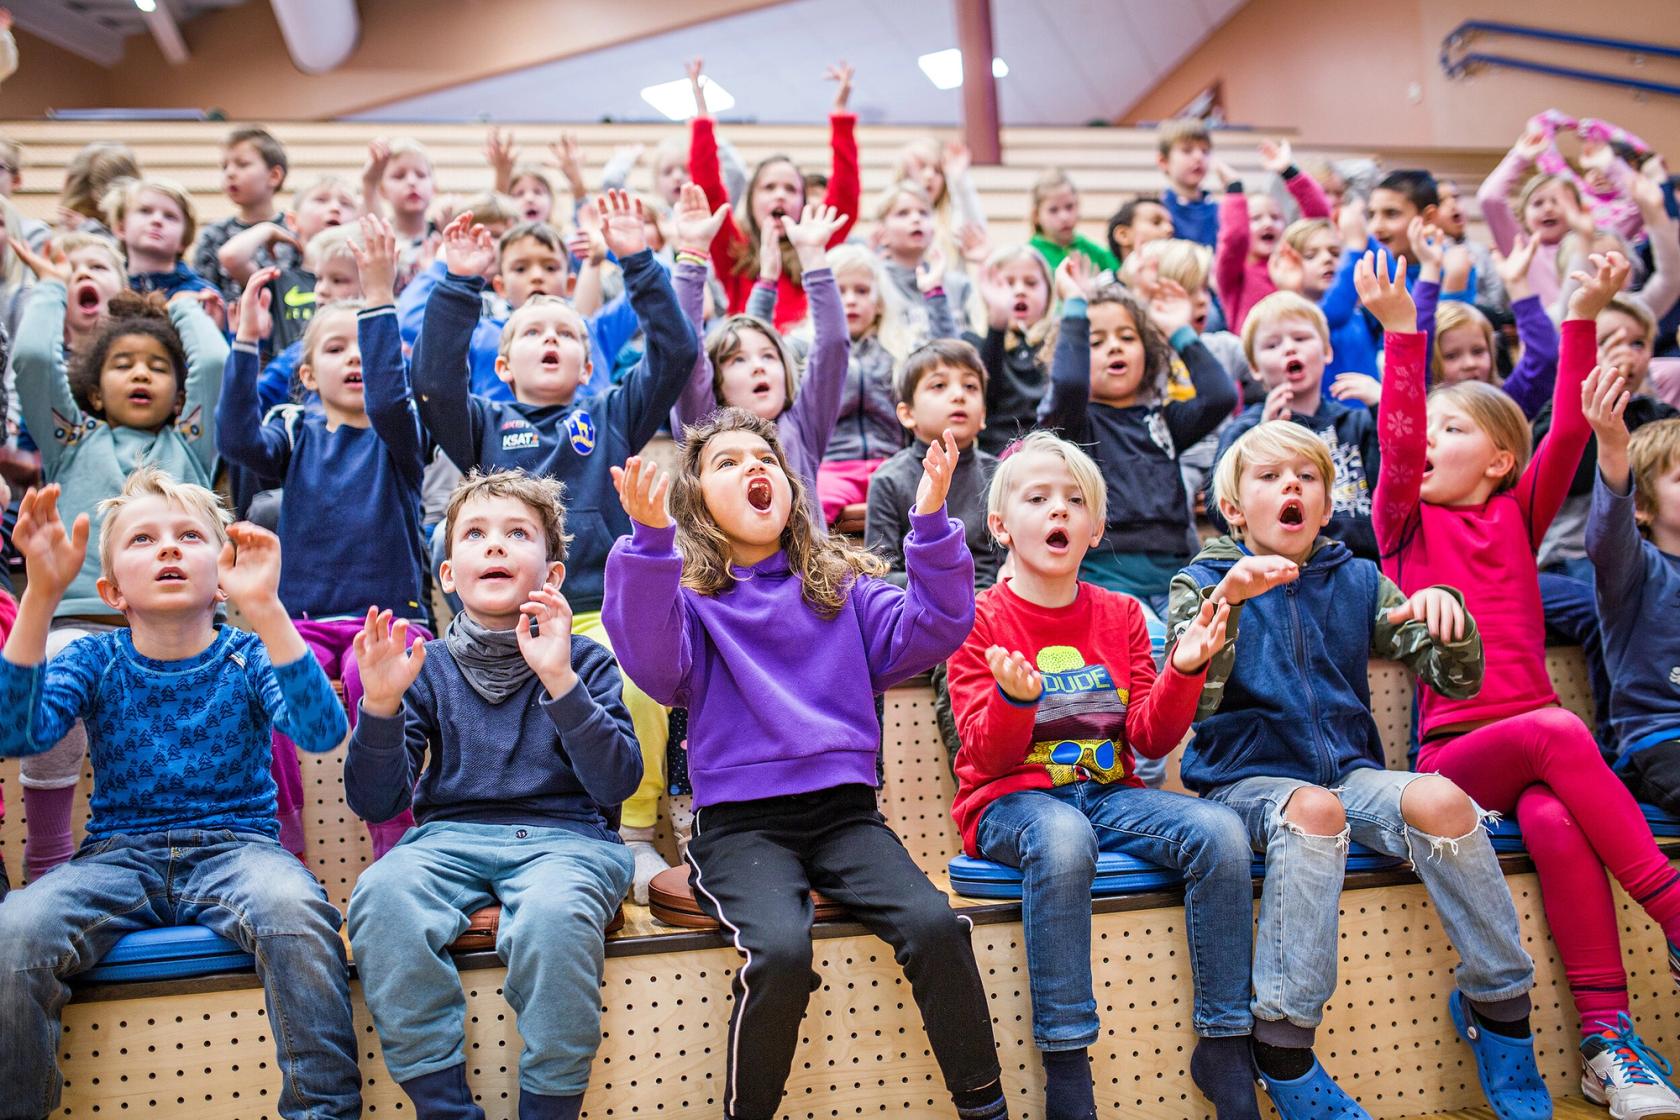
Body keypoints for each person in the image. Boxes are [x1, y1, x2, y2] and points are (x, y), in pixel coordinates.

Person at [603, 415, 1009, 1120]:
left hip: (846, 817)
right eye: (727, 462)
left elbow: (938, 626)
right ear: (696, 501)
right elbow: (652, 661)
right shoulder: (688, 600)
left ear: (789, 488)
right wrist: (649, 542)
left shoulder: (841, 585)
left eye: (765, 457)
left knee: (938, 928)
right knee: (781, 955)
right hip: (740, 829)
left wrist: (931, 521)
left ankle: (986, 1107)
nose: (753, 467)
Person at [1365, 246, 1680, 1113]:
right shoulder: (1403, 523)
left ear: (1503, 460)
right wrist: (1403, 335)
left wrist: (1580, 307)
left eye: (1453, 431)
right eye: (1425, 433)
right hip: (1454, 764)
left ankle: (1607, 1042)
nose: (1427, 443)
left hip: (1538, 764)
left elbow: (1573, 429)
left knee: (1556, 816)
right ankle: (1676, 909)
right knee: (1561, 732)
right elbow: (1394, 444)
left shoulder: (1517, 512)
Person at [1171, 420, 1546, 1120]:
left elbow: (1453, 679)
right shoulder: (1201, 582)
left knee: (1443, 799)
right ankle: (1282, 1043)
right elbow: (1195, 700)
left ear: (1325, 499)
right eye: (1270, 476)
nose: (1292, 485)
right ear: (1232, 509)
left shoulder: (1358, 577)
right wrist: (1230, 601)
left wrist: (1449, 618)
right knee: (1317, 811)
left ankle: (1500, 1008)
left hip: (1350, 773)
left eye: (1307, 477)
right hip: (1244, 783)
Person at [0, 473, 358, 1120]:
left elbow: (321, 728)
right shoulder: (94, 658)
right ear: (110, 591)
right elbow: (13, 733)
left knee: (298, 913)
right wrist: (41, 598)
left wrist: (268, 609)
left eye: (190, 536)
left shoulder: (248, 655)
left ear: (221, 573)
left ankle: (324, 1112)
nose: (168, 548)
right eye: (144, 539)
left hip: (238, 851)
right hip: (117, 856)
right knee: (14, 933)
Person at [948, 432, 1256, 1120]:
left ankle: (1227, 1044)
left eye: (1074, 500)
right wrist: (1016, 701)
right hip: (1009, 800)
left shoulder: (1120, 614)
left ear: (1095, 528)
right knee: (1061, 838)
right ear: (1001, 526)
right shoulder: (979, 618)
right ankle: (1067, 1069)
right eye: (1038, 498)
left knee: (1221, 832)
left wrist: (1184, 667)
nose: (1059, 510)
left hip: (1109, 791)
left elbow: (1149, 736)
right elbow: (984, 756)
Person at [408, 190, 697, 904]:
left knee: (635, 674)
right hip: (503, 623)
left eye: (566, 333)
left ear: (589, 362)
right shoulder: (483, 422)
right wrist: (458, 285)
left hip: (599, 606)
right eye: (533, 332)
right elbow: (433, 381)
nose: (550, 340)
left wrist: (639, 261)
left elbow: (678, 353)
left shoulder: (611, 413)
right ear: (503, 367)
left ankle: (630, 834)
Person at [346, 470, 640, 1120]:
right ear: (448, 574)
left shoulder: (585, 661)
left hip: (570, 842)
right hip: (447, 841)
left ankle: (549, 1108)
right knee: (381, 899)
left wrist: (560, 679)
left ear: (554, 575)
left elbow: (617, 782)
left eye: (517, 533)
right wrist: (382, 703)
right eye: (475, 535)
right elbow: (376, 800)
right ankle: (444, 1107)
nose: (496, 546)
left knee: (552, 921)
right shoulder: (426, 667)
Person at [216, 217, 432, 859]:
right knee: (270, 687)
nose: (357, 360)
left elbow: (393, 398)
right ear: (307, 375)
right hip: (303, 624)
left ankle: (395, 840)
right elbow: (236, 441)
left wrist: (377, 294)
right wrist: (246, 345)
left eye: (367, 350)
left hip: (389, 621)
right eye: (337, 350)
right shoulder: (295, 431)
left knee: (378, 692)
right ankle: (284, 843)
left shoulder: (401, 438)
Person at [11, 286, 226, 881]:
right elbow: (31, 358)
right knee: (51, 675)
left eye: (158, 368)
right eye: (122, 364)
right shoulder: (70, 441)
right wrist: (55, 284)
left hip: (183, 633)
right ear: (92, 388)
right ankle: (49, 854)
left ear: (178, 393)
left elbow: (213, 364)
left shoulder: (190, 442)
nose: (140, 374)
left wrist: (180, 304)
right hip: (83, 622)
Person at [1036, 259, 1236, 620]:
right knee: (1154, 646)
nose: (1115, 347)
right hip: (1107, 578)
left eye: (1127, 337)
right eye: (1096, 341)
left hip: (1177, 575)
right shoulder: (1072, 424)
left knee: (1211, 641)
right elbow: (1068, 383)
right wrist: (1075, 308)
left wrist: (1178, 330)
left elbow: (1220, 396)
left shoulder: (1162, 419)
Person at [670, 191, 849, 530]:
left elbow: (833, 347)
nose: (758, 366)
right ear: (716, 381)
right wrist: (692, 255)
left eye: (769, 356)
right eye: (738, 360)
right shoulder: (703, 425)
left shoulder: (803, 423)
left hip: (808, 579)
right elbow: (686, 353)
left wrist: (812, 257)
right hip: (723, 579)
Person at [688, 58, 860, 330]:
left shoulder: (816, 247)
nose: (780, 195)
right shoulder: (735, 251)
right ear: (752, 199)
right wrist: (702, 119)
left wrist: (840, 117)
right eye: (769, 187)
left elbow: (845, 197)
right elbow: (709, 191)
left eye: (791, 189)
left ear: (803, 202)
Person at [1212, 291, 1380, 560]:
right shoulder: (1245, 430)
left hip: (1358, 563)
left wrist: (1383, 407)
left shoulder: (1356, 422)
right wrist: (1263, 439)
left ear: (1327, 351)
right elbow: (1223, 513)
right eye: (1272, 345)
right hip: (1278, 567)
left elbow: (1391, 485)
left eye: (1301, 338)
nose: (1290, 348)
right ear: (1254, 368)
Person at [1586, 411, 1680, 810]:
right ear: (1641, 504)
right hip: (1660, 739)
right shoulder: (1634, 568)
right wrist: (1611, 447)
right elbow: (1608, 536)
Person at [1214, 139, 1332, 331]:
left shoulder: (1296, 261)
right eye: (1256, 218)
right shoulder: (1234, 272)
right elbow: (1235, 238)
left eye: (1275, 217)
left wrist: (1288, 171)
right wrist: (1234, 189)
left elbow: (1319, 222)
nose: (1268, 223)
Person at [970, 244, 1054, 455]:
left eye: (1031, 283)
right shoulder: (975, 342)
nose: (1019, 290)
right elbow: (985, 395)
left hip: (1050, 453)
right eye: (1007, 283)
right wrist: (997, 324)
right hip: (995, 459)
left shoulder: (1058, 342)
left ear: (1049, 292)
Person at [191, 127, 291, 303]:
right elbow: (204, 291)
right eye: (224, 167)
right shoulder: (213, 234)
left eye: (242, 164)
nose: (230, 173)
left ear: (274, 176)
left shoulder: (293, 231)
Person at [105, 177, 216, 302]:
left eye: (170, 216)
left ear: (184, 240)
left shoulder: (202, 294)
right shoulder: (107, 289)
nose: (157, 220)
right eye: (145, 211)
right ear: (121, 228)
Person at [1027, 168, 1117, 275]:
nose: (1064, 217)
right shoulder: (1029, 255)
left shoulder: (1092, 251)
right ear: (1036, 215)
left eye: (1069, 207)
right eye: (1053, 210)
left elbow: (1121, 276)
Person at [1157, 118, 1217, 248]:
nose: (1199, 157)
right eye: (1187, 150)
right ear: (1163, 161)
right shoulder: (1158, 211)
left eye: (1205, 151)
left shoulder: (1219, 211)